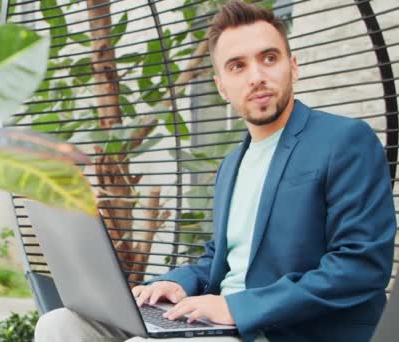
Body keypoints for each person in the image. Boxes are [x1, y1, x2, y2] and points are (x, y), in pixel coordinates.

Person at [34, 1, 397, 341]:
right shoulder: (231, 165)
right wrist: (177, 284)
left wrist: (236, 307)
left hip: (286, 329)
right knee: (61, 324)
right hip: (216, 325)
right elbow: (220, 259)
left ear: (293, 65)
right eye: (237, 66)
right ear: (222, 85)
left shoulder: (345, 140)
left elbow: (359, 266)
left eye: (268, 58)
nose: (256, 76)